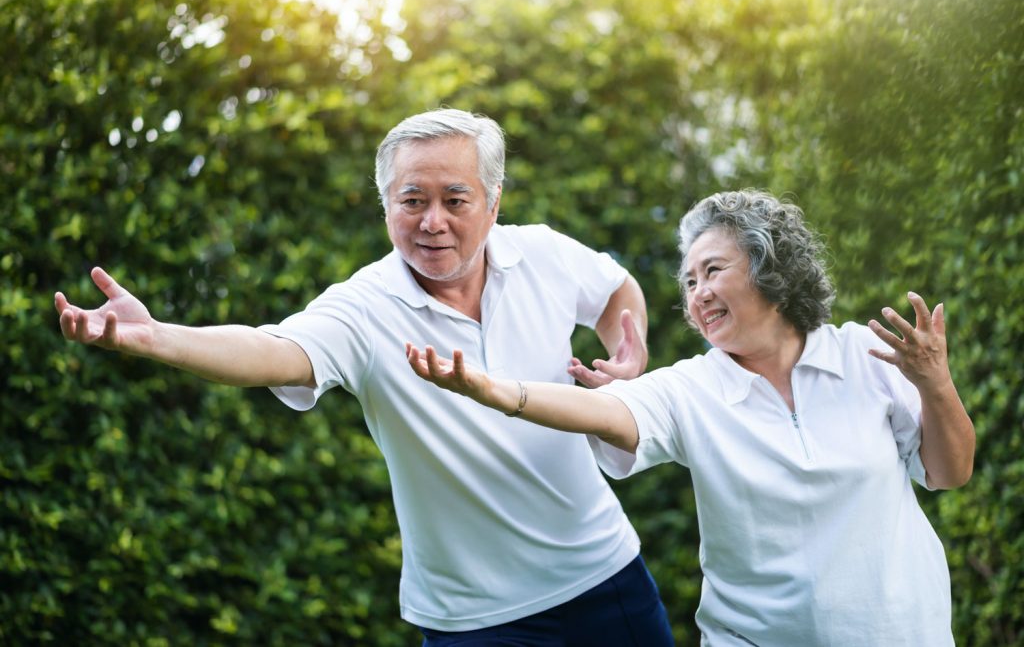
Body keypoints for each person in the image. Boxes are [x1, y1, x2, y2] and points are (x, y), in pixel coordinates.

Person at [55, 108, 675, 645]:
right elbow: (274, 349)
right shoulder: (364, 305)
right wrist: (158, 336)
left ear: (494, 200)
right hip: (476, 619)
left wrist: (631, 346)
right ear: (386, 205)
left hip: (607, 575)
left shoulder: (541, 252)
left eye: (455, 200)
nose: (432, 221)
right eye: (412, 201)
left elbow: (616, 288)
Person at [408, 189, 975, 646]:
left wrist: (936, 384)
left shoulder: (863, 356)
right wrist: (499, 391)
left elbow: (950, 472)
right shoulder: (693, 388)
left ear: (770, 268)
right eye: (689, 281)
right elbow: (606, 411)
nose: (697, 293)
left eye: (713, 270)